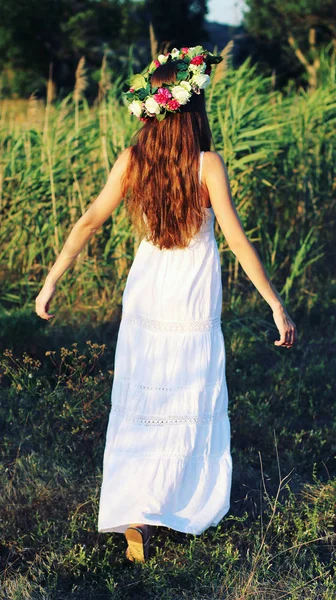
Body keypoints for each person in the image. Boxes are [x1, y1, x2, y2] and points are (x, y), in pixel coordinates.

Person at [35, 46, 297, 563]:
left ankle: (136, 509)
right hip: (192, 292)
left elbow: (88, 221)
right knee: (185, 397)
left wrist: (50, 281)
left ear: (153, 110)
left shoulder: (133, 159)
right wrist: (274, 304)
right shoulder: (208, 164)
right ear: (193, 109)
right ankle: (172, 499)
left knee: (143, 398)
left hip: (148, 288)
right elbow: (239, 243)